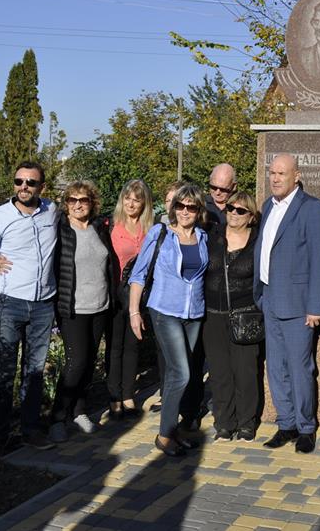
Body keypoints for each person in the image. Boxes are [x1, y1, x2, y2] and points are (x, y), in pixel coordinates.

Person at [0, 162, 57, 461]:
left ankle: (30, 430)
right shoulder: (0, 216)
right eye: (19, 181)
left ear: (41, 187)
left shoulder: (52, 211)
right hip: (8, 302)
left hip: (43, 305)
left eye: (31, 183)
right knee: (3, 373)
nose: (24, 187)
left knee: (34, 372)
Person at [254, 153, 320, 454]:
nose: (275, 178)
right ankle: (285, 423)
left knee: (300, 368)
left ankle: (306, 427)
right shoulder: (268, 206)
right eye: (272, 173)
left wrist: (316, 306)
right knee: (275, 367)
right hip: (270, 298)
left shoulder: (312, 209)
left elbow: (318, 260)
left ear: (296, 176)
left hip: (298, 304)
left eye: (281, 174)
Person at [128, 183, 209, 457]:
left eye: (191, 206)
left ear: (199, 210)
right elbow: (138, 274)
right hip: (165, 310)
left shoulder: (202, 237)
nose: (185, 211)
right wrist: (134, 311)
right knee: (182, 372)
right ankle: (164, 436)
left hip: (194, 313)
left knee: (183, 374)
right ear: (173, 208)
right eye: (180, 206)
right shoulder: (160, 233)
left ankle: (176, 431)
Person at [46, 181, 120, 443]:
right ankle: (57, 417)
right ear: (66, 204)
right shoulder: (60, 230)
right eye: (72, 200)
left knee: (89, 363)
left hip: (100, 306)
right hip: (72, 308)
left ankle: (79, 411)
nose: (78, 204)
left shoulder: (100, 228)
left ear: (92, 203)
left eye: (84, 200)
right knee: (75, 363)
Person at [202, 190, 263, 442]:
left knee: (246, 372)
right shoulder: (213, 237)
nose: (234, 214)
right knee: (220, 373)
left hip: (245, 315)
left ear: (251, 216)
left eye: (240, 210)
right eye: (230, 209)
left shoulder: (257, 242)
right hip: (213, 315)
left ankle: (247, 423)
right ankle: (224, 423)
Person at [107, 179, 155, 419]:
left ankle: (128, 395)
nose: (131, 203)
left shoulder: (150, 229)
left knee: (133, 345)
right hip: (116, 295)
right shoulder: (111, 226)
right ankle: (114, 397)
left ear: (144, 202)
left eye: (137, 199)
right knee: (116, 347)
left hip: (139, 296)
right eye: (127, 198)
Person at [205, 163, 236, 228]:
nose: (217, 192)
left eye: (223, 189)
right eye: (213, 187)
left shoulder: (240, 209)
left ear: (233, 187)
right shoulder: (201, 204)